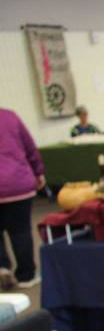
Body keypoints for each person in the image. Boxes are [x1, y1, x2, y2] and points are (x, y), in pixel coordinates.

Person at [0, 108, 45, 290]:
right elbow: (29, 147)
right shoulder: (10, 117)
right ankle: (26, 275)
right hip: (17, 184)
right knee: (21, 231)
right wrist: (38, 171)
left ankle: (2, 269)